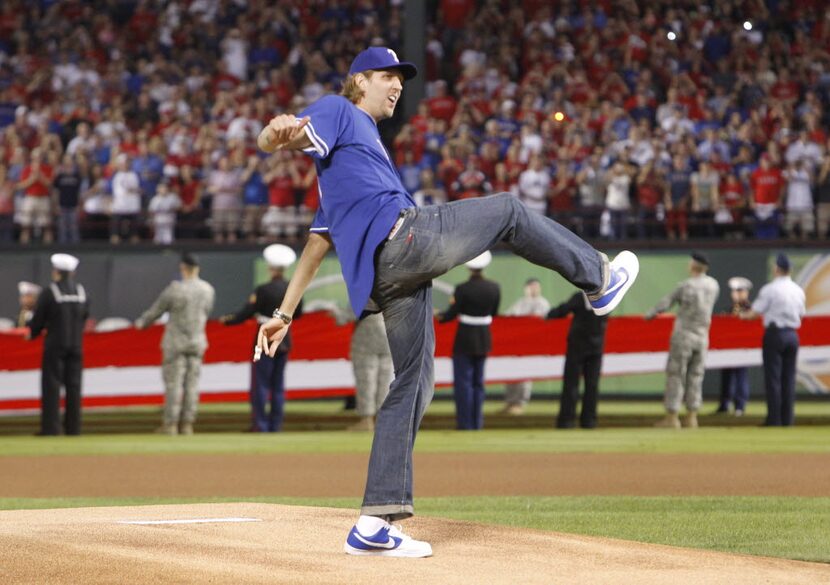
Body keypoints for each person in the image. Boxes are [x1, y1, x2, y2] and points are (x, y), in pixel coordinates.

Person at [254, 46, 639, 558]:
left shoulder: (350, 159)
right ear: (359, 80)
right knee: (507, 209)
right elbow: (283, 137)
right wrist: (272, 133)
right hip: (404, 242)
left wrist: (284, 313)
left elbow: (317, 242)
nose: (397, 86)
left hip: (385, 276)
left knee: (413, 383)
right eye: (388, 76)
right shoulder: (338, 110)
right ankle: (599, 278)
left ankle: (374, 521)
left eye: (401, 79)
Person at [220, 244, 301, 432]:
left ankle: (261, 424)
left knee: (261, 384)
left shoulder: (263, 289)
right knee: (278, 385)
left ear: (271, 267)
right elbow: (298, 313)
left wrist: (228, 320)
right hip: (284, 338)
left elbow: (247, 312)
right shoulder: (292, 288)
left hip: (264, 338)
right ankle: (276, 424)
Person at [134, 253, 215, 435]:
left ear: (182, 268)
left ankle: (170, 424)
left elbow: (156, 311)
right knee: (192, 385)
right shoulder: (208, 290)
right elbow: (207, 312)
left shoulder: (175, 289)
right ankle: (187, 424)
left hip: (175, 343)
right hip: (197, 342)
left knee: (174, 385)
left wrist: (141, 324)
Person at [647, 252, 719, 429]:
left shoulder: (686, 286)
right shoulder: (713, 285)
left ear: (693, 266)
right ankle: (692, 417)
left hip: (684, 335)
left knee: (676, 374)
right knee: (696, 375)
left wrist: (649, 315)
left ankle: (672, 417)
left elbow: (665, 303)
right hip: (702, 336)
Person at [27, 254, 90, 436]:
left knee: (51, 386)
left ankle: (51, 428)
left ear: (56, 272)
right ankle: (73, 428)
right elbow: (85, 315)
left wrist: (32, 333)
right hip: (76, 346)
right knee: (74, 387)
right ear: (72, 273)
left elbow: (38, 319)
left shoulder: (50, 292)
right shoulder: (81, 292)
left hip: (55, 346)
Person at [739, 254, 805, 426]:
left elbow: (754, 313)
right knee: (789, 379)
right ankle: (787, 419)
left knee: (773, 378)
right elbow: (801, 314)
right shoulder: (798, 290)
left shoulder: (770, 289)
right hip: (792, 334)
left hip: (775, 334)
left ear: (776, 269)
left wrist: (742, 316)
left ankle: (774, 419)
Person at [438, 251, 500, 430]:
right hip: (484, 337)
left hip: (465, 338)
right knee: (478, 383)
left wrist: (441, 316)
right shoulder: (494, 288)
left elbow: (452, 314)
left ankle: (465, 424)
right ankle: (477, 422)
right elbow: (494, 313)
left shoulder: (462, 289)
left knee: (463, 383)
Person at [547, 291, 608, 429]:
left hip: (577, 346)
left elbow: (561, 311)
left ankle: (567, 421)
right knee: (592, 385)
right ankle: (589, 421)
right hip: (596, 346)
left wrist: (548, 314)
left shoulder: (579, 298)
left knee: (571, 384)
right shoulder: (605, 299)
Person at [500, 277, 550, 415]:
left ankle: (519, 403)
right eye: (531, 286)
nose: (534, 289)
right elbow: (509, 316)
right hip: (516, 345)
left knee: (524, 376)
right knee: (511, 374)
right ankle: (510, 402)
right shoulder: (521, 302)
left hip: (530, 345)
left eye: (536, 286)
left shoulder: (542, 303)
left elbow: (538, 320)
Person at [347, 312, 393, 432]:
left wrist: (335, 312)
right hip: (388, 333)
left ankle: (366, 420)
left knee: (366, 380)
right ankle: (382, 420)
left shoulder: (362, 292)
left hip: (366, 335)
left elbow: (349, 314)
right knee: (385, 381)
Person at [716, 277, 753, 416]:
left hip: (742, 348)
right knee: (726, 376)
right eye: (734, 291)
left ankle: (740, 405)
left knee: (741, 376)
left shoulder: (749, 309)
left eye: (739, 290)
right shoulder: (729, 309)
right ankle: (724, 404)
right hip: (727, 348)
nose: (735, 294)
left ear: (746, 292)